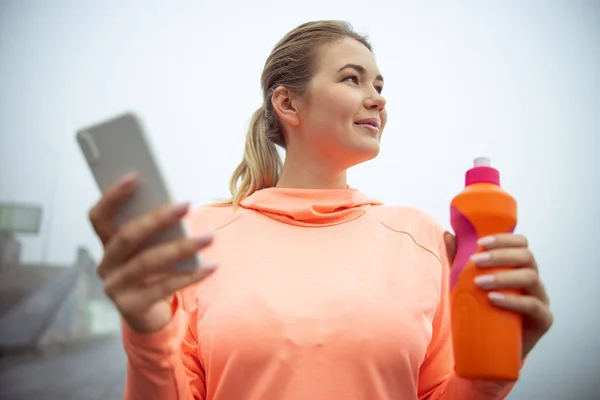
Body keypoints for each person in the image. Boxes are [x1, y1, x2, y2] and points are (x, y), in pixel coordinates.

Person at [88, 20, 553, 400]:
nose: (378, 97)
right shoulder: (202, 237)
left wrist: (491, 378)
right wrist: (148, 335)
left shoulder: (423, 237)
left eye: (379, 84)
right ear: (288, 102)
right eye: (353, 79)